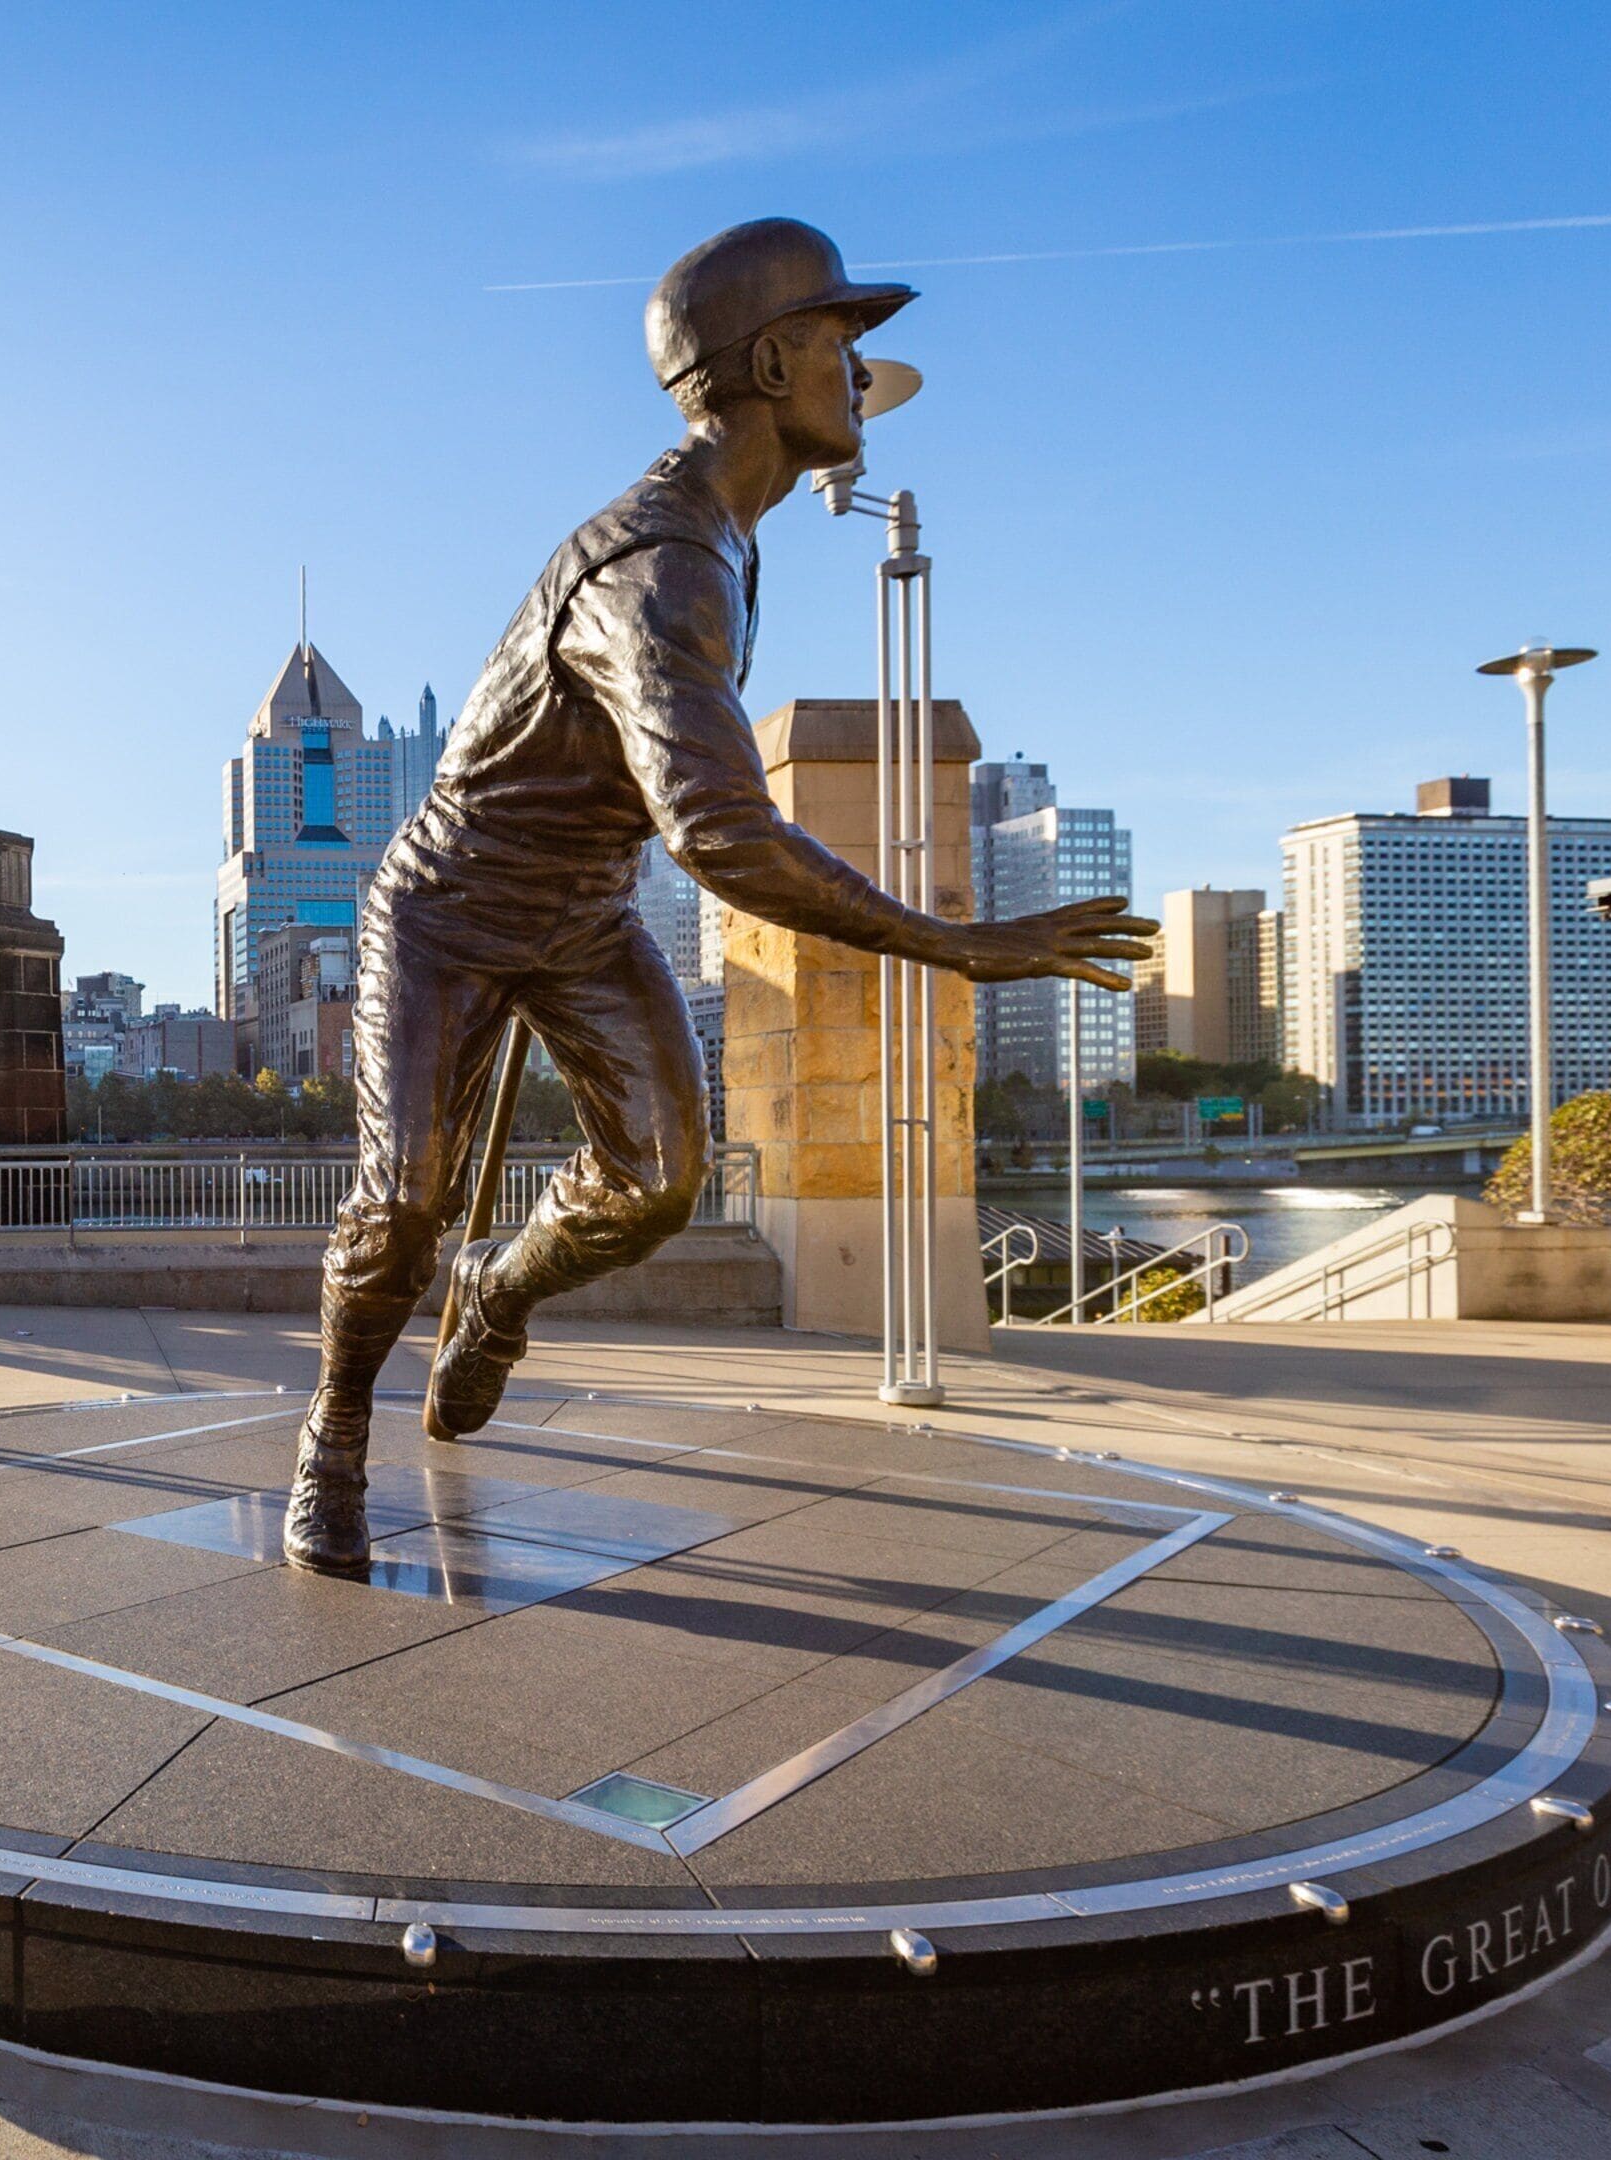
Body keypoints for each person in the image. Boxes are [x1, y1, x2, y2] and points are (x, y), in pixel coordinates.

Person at [280, 218, 1154, 1573]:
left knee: (660, 1183)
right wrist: (958, 946)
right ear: (769, 361)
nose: (863, 378)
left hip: (579, 915)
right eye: (842, 348)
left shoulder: (731, 543)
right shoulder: (662, 569)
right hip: (449, 908)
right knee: (402, 1205)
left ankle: (497, 1296)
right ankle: (334, 1438)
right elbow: (722, 836)